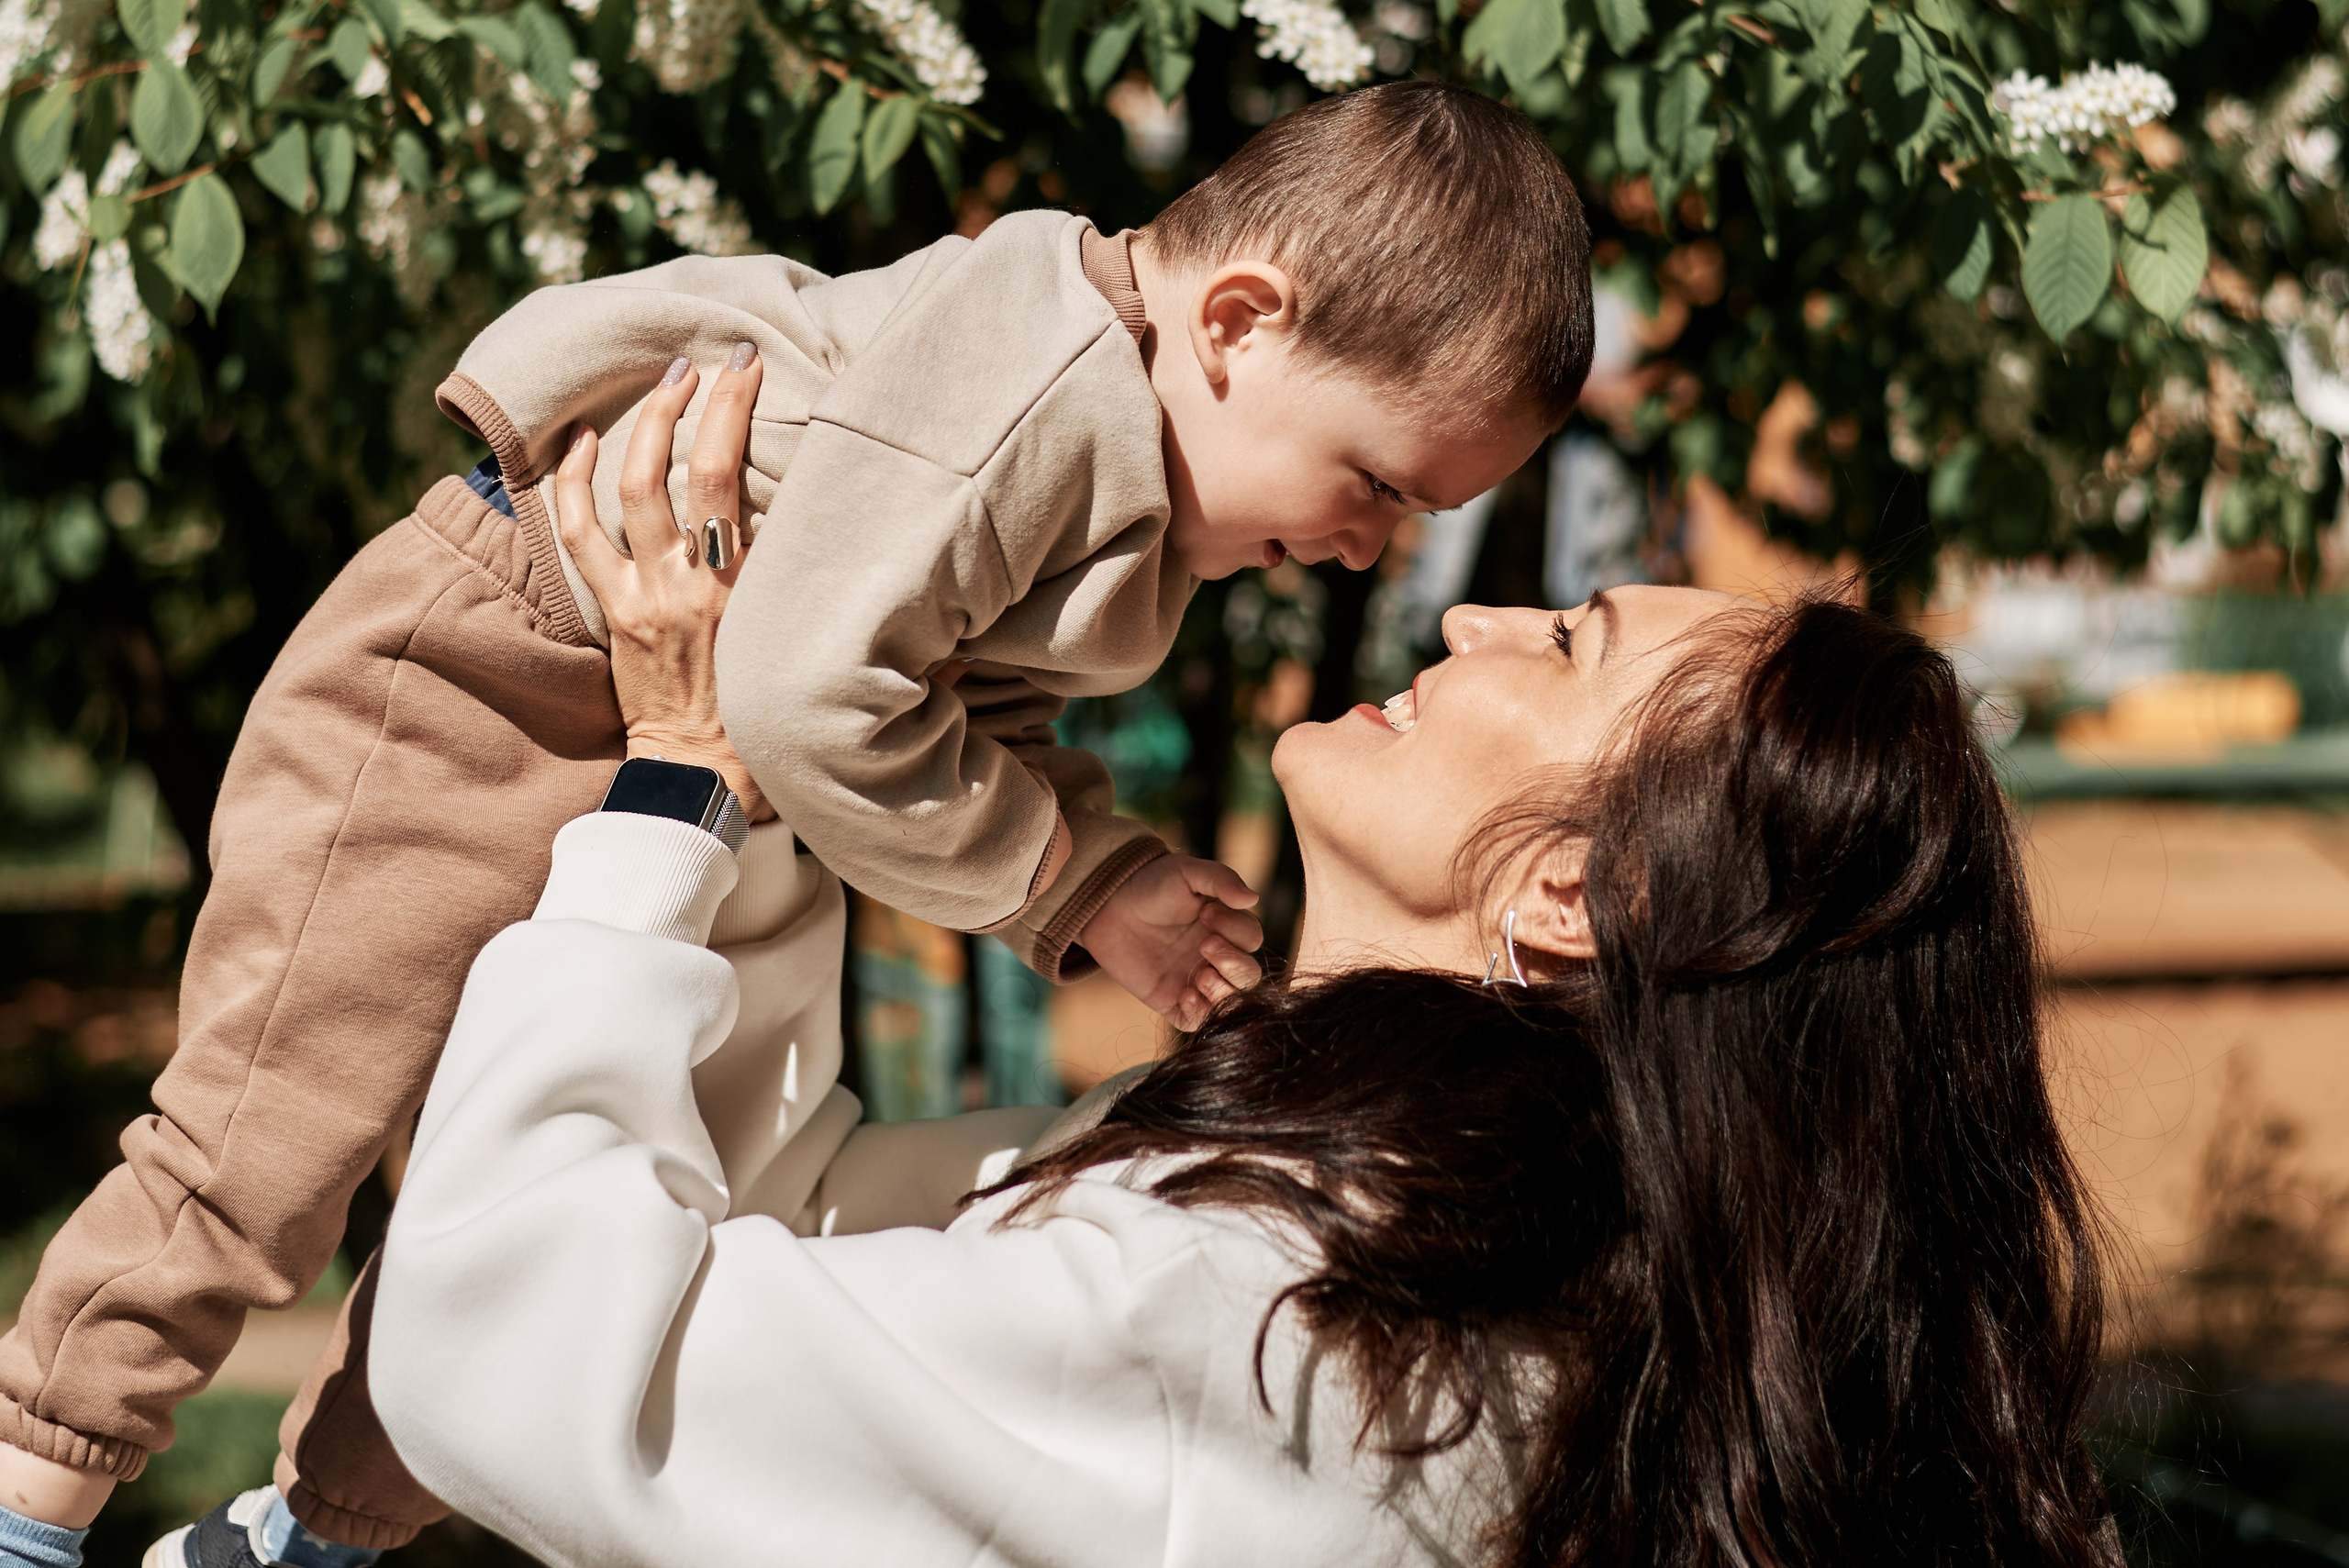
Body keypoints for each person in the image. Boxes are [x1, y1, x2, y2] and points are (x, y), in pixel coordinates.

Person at [0, 81, 1594, 1568]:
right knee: (271, 1128)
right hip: (493, 671)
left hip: (667, 740)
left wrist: (1099, 862)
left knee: (573, 1187)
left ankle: (311, 1533)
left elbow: (964, 706)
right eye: (1377, 481)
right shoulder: (1027, 371)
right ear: (1240, 322)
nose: (1372, 544)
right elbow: (799, 691)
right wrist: (1072, 886)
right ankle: (35, 1482)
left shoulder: (1138, 496)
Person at [357, 397, 2121, 1565]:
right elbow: (799, 1224)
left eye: (1571, 641)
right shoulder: (1431, 1252)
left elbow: (520, 1360)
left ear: (1588, 890)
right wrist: (778, 755)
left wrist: (670, 787)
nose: (1474, 620)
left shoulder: (1280, 1300)